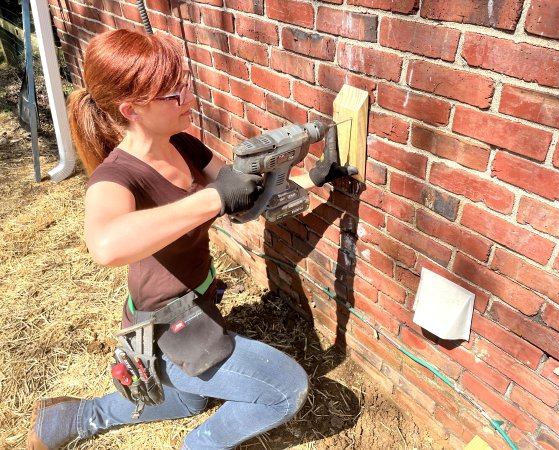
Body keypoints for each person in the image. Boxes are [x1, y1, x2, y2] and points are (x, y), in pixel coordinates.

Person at [28, 29, 356, 450]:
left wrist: (314, 177)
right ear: (132, 109)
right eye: (173, 93)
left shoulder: (181, 144)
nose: (189, 97)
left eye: (183, 83)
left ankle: (72, 417)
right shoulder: (116, 177)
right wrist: (212, 198)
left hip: (201, 305)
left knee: (188, 399)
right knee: (284, 389)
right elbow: (105, 245)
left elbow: (247, 196)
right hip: (169, 325)